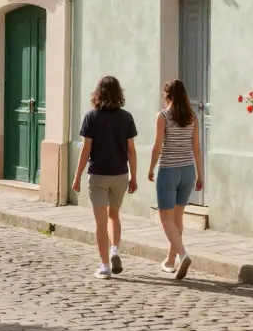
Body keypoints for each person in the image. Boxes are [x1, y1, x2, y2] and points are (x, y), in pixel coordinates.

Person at [71, 76, 138, 280]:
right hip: (120, 175)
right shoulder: (126, 117)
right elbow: (131, 151)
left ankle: (105, 266)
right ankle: (115, 249)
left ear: (97, 93)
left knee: (100, 222)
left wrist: (77, 177)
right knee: (114, 216)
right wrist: (133, 177)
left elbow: (86, 149)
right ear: (119, 93)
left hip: (98, 175)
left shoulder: (91, 117)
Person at [147, 79, 205, 280]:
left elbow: (157, 146)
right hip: (188, 171)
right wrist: (200, 174)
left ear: (166, 94)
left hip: (169, 171)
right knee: (178, 218)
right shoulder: (191, 117)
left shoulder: (162, 116)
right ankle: (170, 261)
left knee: (165, 219)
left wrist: (151, 168)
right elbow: (196, 148)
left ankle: (182, 254)